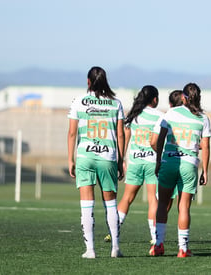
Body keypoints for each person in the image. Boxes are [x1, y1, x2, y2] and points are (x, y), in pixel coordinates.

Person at [67, 66, 125, 259]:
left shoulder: (78, 102)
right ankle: (115, 247)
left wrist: (70, 159)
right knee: (110, 204)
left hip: (85, 157)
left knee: (87, 204)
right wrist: (121, 160)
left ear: (88, 81)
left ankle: (90, 250)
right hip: (108, 156)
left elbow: (72, 133)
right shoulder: (115, 103)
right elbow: (120, 134)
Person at [149, 83, 211, 258]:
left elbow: (159, 138)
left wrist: (159, 160)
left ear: (183, 97)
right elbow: (205, 146)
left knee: (162, 203)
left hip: (169, 161)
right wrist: (205, 171)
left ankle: (158, 245)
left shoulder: (171, 113)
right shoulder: (203, 118)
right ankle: (183, 249)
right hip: (189, 163)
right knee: (184, 206)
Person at [115, 85, 164, 246]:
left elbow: (126, 137)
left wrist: (122, 160)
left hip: (135, 161)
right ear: (155, 99)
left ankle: (114, 231)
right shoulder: (160, 116)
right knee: (152, 199)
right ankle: (155, 237)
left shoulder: (134, 115)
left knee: (127, 198)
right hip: (152, 162)